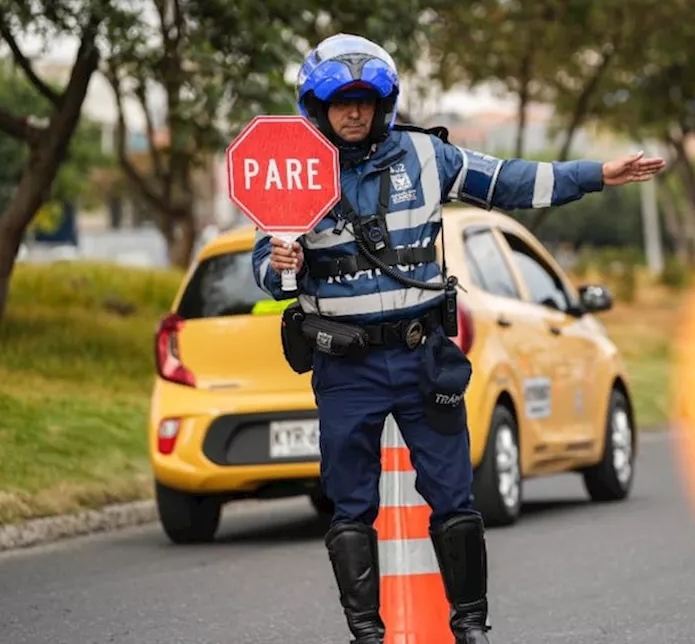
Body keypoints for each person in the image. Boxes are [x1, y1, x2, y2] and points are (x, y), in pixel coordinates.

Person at [251, 33, 665, 644]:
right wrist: (282, 259)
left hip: (423, 358)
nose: (354, 113)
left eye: (365, 100)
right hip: (345, 370)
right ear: (316, 108)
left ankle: (471, 628)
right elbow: (265, 269)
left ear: (384, 103)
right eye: (340, 102)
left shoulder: (425, 157)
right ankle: (366, 633)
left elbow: (511, 181)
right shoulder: (294, 171)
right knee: (350, 507)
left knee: (455, 498)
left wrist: (599, 174)